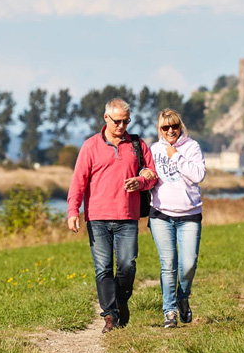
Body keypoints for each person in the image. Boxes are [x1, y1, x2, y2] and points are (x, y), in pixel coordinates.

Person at [67, 98, 158, 333]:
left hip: (127, 216)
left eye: (126, 121)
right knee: (103, 268)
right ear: (106, 118)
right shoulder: (90, 146)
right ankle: (110, 315)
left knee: (127, 265)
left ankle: (122, 300)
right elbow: (78, 181)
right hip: (97, 218)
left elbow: (152, 175)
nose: (122, 126)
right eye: (117, 121)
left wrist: (139, 182)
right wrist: (72, 211)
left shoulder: (137, 145)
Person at [148, 108, 206, 329]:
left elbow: (199, 175)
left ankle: (183, 295)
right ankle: (169, 311)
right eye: (165, 127)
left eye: (174, 126)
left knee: (189, 264)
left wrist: (176, 156)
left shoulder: (192, 147)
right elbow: (149, 175)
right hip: (161, 215)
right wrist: (145, 174)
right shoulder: (154, 150)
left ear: (180, 126)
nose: (170, 130)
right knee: (168, 264)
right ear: (160, 129)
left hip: (189, 215)